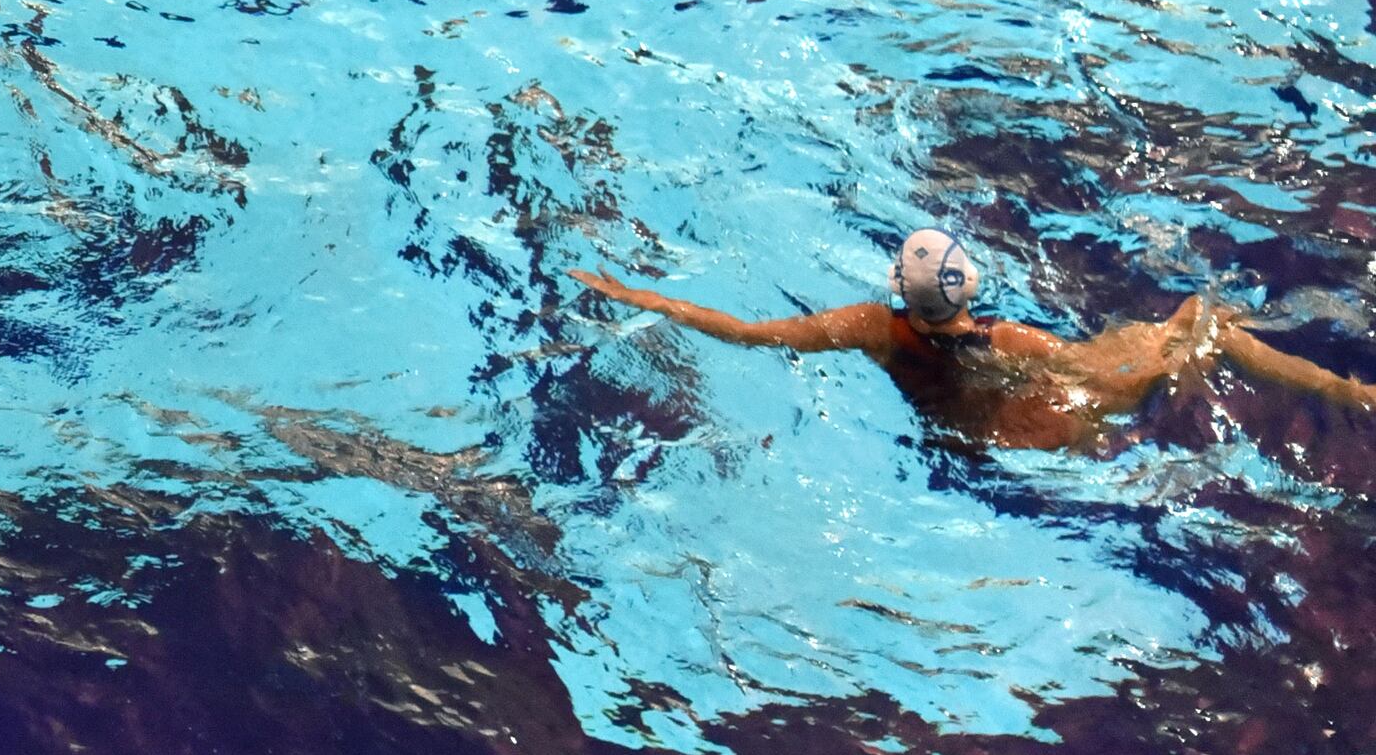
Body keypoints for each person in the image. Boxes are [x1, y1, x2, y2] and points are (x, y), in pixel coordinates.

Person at [575, 229, 1376, 454]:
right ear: (971, 285)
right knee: (1203, 319)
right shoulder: (1013, 334)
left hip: (968, 438)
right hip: (1053, 416)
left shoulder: (870, 328)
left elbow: (747, 333)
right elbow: (1076, 368)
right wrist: (1156, 350)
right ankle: (1349, 393)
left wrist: (640, 295)